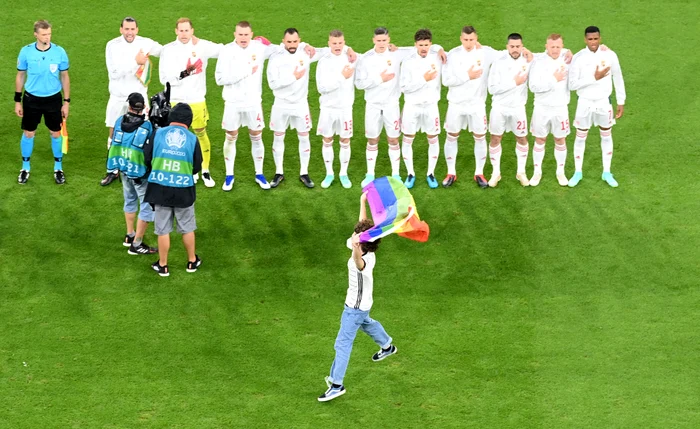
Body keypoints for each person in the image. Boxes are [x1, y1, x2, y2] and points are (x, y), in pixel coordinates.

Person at [318, 192, 397, 402]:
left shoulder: (364, 259)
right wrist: (362, 202)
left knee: (342, 344)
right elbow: (362, 225)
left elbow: (358, 264)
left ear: (361, 244)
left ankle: (337, 384)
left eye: (357, 237)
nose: (354, 235)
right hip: (364, 306)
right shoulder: (362, 246)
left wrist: (354, 249)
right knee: (367, 323)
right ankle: (387, 346)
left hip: (354, 308)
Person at [215, 21, 305, 191]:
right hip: (233, 103)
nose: (243, 38)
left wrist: (307, 48)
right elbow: (219, 79)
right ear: (235, 34)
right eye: (240, 34)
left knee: (256, 135)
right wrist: (246, 72)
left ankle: (259, 173)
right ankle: (229, 175)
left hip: (253, 103)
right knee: (231, 135)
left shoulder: (259, 48)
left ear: (251, 34)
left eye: (246, 34)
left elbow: (285, 46)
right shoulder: (227, 51)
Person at [355, 27, 445, 188]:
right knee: (372, 139)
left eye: (384, 40)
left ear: (389, 40)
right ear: (373, 40)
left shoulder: (398, 53)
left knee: (394, 139)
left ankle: (397, 173)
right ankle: (370, 174)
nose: (382, 43)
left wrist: (439, 48)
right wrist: (379, 79)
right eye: (379, 40)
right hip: (373, 105)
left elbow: (421, 47)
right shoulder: (366, 58)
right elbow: (359, 83)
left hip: (392, 105)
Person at [266, 28, 355, 189]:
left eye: (295, 41)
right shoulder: (276, 57)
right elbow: (272, 84)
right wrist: (293, 77)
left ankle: (304, 173)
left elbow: (332, 48)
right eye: (289, 42)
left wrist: (349, 49)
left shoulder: (306, 52)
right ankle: (279, 172)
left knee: (304, 136)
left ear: (299, 40)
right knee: (278, 137)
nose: (292, 45)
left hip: (301, 104)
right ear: (283, 41)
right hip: (281, 104)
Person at [159, 17, 222, 188]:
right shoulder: (168, 50)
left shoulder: (202, 46)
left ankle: (205, 170)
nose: (184, 34)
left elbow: (225, 50)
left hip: (196, 100)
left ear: (192, 31)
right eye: (181, 30)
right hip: (176, 100)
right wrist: (184, 74)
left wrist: (254, 45)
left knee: (200, 133)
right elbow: (163, 78)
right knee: (176, 136)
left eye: (187, 30)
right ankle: (185, 169)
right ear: (176, 31)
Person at [441, 26, 507, 188]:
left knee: (479, 136)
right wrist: (467, 76)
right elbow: (446, 81)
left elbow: (509, 54)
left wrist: (526, 51)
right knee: (452, 135)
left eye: (471, 40)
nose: (469, 43)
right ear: (460, 38)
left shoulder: (486, 52)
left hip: (477, 105)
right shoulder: (453, 55)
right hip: (456, 104)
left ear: (476, 38)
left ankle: (479, 172)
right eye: (466, 39)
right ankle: (451, 173)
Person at [101, 17, 163, 187]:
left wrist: (187, 43)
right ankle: (112, 170)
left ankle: (143, 167)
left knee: (144, 132)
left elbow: (164, 51)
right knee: (113, 133)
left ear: (137, 29)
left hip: (138, 99)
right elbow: (114, 73)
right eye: (126, 29)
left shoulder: (145, 43)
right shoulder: (112, 45)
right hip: (118, 97)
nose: (129, 32)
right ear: (121, 29)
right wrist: (135, 63)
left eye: (132, 29)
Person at [144, 103, 203, 277]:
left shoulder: (157, 134)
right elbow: (196, 166)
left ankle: (163, 265)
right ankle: (192, 261)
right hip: (183, 189)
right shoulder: (192, 139)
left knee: (163, 229)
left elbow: (147, 158)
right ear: (189, 121)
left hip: (159, 188)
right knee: (187, 227)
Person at [568, 26, 626, 188]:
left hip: (603, 102)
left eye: (596, 39)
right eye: (590, 39)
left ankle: (607, 172)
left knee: (606, 135)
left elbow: (618, 77)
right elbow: (572, 85)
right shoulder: (578, 58)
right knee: (581, 136)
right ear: (585, 39)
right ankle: (578, 172)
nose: (593, 42)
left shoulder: (610, 55)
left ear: (600, 38)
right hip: (584, 102)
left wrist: (621, 101)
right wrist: (594, 78)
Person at [15, 20, 70, 185]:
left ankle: (58, 168)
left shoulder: (60, 52)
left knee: (55, 133)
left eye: (49, 34)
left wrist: (66, 101)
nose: (47, 37)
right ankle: (25, 167)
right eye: (44, 34)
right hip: (32, 99)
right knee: (29, 133)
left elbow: (65, 76)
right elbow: (20, 75)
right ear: (36, 35)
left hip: (53, 99)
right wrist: (18, 101)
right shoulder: (26, 52)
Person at [106, 93, 158, 254]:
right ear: (143, 108)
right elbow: (151, 150)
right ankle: (137, 244)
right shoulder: (147, 127)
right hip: (140, 172)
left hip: (123, 168)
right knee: (147, 206)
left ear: (129, 106)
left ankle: (129, 235)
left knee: (129, 200)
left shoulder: (118, 121)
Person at [399, 28, 444, 189]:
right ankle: (410, 173)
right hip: (412, 106)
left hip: (431, 106)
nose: (423, 48)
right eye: (420, 45)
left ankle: (430, 173)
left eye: (426, 44)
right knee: (408, 138)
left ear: (431, 44)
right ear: (415, 45)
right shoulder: (408, 61)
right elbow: (404, 87)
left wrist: (439, 48)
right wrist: (423, 79)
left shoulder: (437, 57)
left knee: (433, 137)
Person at [487, 33, 533, 187]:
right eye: (512, 46)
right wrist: (514, 82)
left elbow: (550, 53)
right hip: (499, 108)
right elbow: (492, 89)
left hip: (518, 108)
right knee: (495, 138)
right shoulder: (498, 63)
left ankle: (521, 172)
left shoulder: (528, 61)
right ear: (507, 47)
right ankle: (495, 173)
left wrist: (567, 52)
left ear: (522, 46)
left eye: (518, 46)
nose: (515, 49)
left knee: (521, 138)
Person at [528, 34, 572, 187]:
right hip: (542, 108)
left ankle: (560, 172)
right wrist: (554, 79)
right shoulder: (538, 63)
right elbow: (533, 87)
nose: (555, 50)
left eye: (558, 47)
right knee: (540, 140)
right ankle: (537, 172)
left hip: (560, 108)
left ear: (562, 46)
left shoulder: (567, 60)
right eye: (552, 47)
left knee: (560, 140)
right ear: (546, 46)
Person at [316, 30, 356, 189]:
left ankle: (343, 174)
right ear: (329, 44)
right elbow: (322, 88)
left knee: (345, 141)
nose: (337, 46)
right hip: (328, 108)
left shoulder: (352, 58)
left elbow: (371, 53)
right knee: (327, 139)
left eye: (340, 43)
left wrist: (349, 49)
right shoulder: (323, 62)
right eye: (334, 43)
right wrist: (342, 78)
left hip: (345, 108)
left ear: (344, 43)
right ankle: (329, 173)